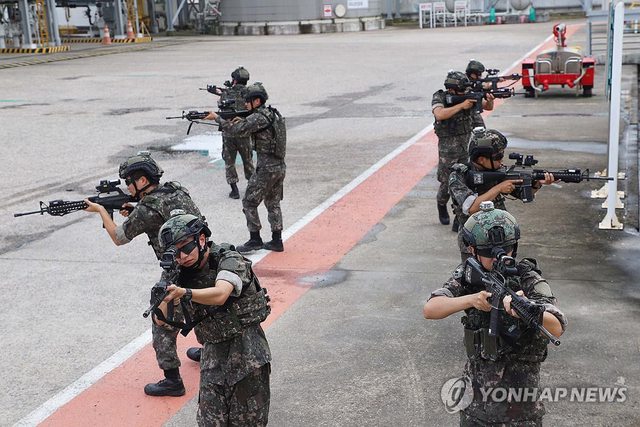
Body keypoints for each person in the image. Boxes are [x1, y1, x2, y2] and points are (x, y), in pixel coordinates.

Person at [423, 203, 566, 426]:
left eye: (505, 249)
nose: (497, 257)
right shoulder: (468, 274)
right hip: (474, 406)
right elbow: (431, 309)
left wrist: (527, 309)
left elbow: (556, 326)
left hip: (520, 411)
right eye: (488, 252)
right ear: (472, 250)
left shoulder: (528, 279)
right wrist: (472, 300)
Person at [84, 152, 203, 396]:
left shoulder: (147, 208)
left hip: (178, 268)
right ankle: (211, 349)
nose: (127, 187)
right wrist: (135, 210)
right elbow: (167, 216)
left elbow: (119, 237)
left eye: (129, 181)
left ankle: (172, 380)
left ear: (142, 180)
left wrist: (101, 211)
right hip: (202, 259)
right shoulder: (175, 191)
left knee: (161, 318)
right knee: (205, 305)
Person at [155, 213, 271, 426]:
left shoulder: (228, 259)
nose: (182, 256)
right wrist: (166, 293)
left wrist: (184, 293)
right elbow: (161, 321)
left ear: (201, 239)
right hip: (212, 358)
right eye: (175, 252)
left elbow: (221, 294)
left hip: (248, 356)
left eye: (185, 247)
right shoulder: (179, 273)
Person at [448, 128, 554, 261]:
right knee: (474, 274)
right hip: (474, 242)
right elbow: (471, 208)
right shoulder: (459, 176)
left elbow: (523, 195)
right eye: (498, 157)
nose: (502, 161)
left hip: (503, 238)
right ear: (481, 159)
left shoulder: (499, 172)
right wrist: (499, 188)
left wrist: (536, 184)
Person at [205, 82, 286, 253]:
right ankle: (276, 240)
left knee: (249, 202)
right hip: (279, 166)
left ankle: (255, 239)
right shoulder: (272, 114)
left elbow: (236, 130)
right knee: (273, 203)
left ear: (257, 101)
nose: (246, 104)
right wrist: (242, 120)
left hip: (266, 168)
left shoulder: (257, 117)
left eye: (248, 101)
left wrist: (217, 118)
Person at [432, 71, 476, 230]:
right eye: (462, 89)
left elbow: (487, 106)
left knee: (464, 181)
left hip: (465, 147)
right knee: (446, 182)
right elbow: (439, 114)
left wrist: (489, 99)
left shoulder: (468, 96)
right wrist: (461, 106)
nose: (465, 92)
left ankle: (459, 216)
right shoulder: (440, 97)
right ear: (452, 88)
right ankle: (441, 204)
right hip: (448, 149)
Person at [211, 66, 255, 199]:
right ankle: (252, 186)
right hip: (244, 133)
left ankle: (234, 190)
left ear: (234, 80)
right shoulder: (251, 93)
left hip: (228, 133)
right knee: (248, 161)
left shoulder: (227, 93)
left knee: (229, 162)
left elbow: (221, 105)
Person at [465, 60, 495, 129]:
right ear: (472, 74)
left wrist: (490, 98)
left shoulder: (476, 85)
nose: (480, 77)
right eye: (479, 74)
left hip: (473, 117)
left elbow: (488, 107)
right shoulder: (462, 83)